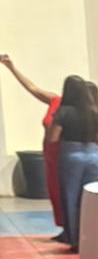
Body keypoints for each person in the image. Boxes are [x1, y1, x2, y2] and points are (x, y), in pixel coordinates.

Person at [0, 54, 65, 232]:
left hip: (64, 155)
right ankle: (63, 229)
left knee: (65, 193)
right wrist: (12, 68)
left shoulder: (74, 110)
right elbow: (32, 88)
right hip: (49, 153)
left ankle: (72, 230)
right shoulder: (55, 100)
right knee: (54, 193)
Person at [49, 75, 98, 250]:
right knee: (92, 198)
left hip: (71, 155)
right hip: (95, 156)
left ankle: (75, 240)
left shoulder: (64, 111)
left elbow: (53, 138)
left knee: (70, 198)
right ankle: (94, 238)